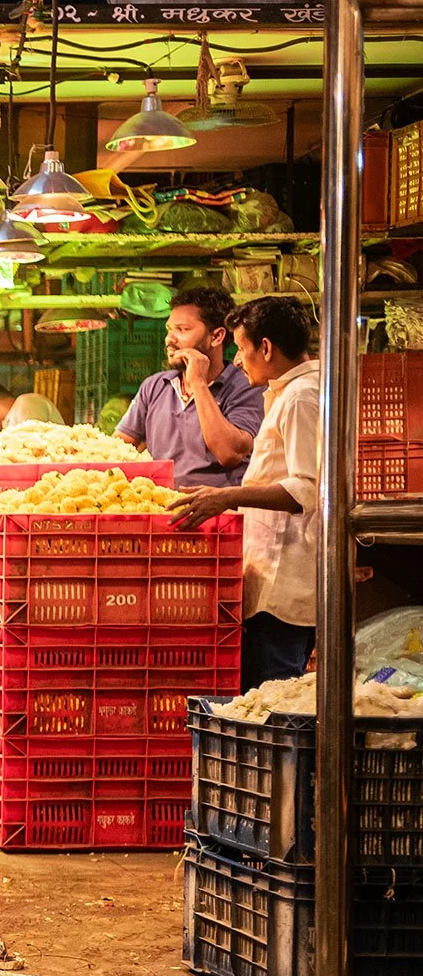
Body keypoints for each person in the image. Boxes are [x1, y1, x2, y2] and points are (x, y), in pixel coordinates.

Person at [168, 296, 319, 688]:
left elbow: (307, 489)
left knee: (275, 706)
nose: (237, 360)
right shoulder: (291, 393)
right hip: (272, 578)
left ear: (265, 347)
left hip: (285, 586)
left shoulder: (303, 397)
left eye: (241, 347)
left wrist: (227, 498)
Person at [116, 284, 264, 488]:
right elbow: (118, 447)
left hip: (220, 513)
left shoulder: (245, 386)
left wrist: (199, 383)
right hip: (162, 507)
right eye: (169, 329)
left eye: (182, 330)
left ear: (216, 336)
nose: (170, 339)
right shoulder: (155, 386)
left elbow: (229, 453)